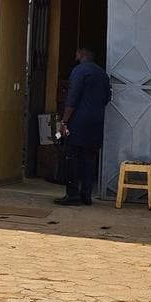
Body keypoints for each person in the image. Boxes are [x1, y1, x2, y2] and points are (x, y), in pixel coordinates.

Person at [55, 47, 112, 206]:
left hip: (78, 122)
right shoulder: (102, 74)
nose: (75, 56)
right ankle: (86, 195)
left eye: (77, 53)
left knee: (72, 157)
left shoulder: (79, 71)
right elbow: (108, 97)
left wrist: (64, 122)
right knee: (90, 158)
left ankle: (72, 194)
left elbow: (72, 99)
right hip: (97, 122)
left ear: (82, 55)